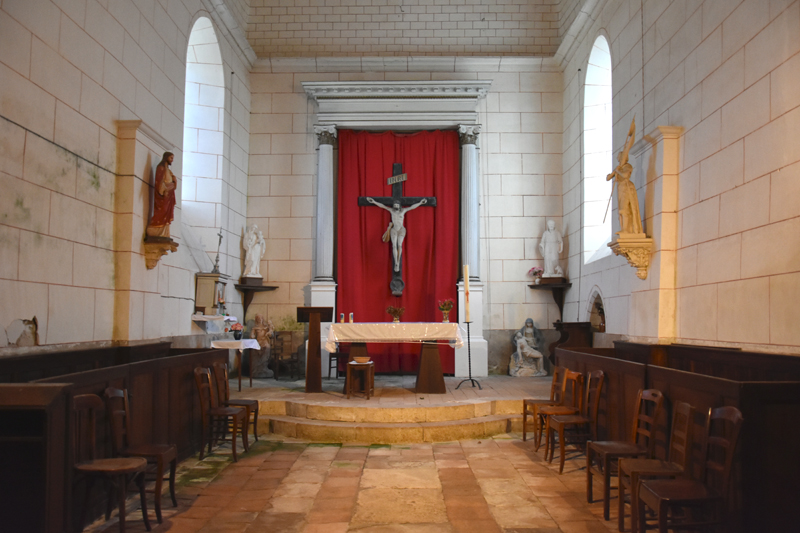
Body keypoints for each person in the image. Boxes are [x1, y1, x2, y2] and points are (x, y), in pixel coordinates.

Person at [365, 197, 428, 272]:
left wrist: (421, 202)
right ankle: (396, 262)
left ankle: (398, 260)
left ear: (399, 205)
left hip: (401, 230)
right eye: (395, 205)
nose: (396, 206)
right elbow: (382, 206)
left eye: (397, 205)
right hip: (394, 230)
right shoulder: (392, 211)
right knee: (394, 245)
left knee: (400, 245)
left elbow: (412, 207)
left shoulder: (403, 211)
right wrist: (374, 202)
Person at [606, 117, 643, 235]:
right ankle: (624, 229)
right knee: (620, 211)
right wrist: (614, 172)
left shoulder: (627, 166)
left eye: (619, 157)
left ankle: (626, 230)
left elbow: (626, 176)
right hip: (620, 188)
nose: (618, 159)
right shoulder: (619, 168)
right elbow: (608, 178)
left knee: (624, 209)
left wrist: (618, 172)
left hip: (626, 187)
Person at [146, 152, 178, 238]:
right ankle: (156, 229)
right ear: (166, 157)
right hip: (163, 195)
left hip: (169, 195)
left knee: (167, 212)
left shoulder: (168, 170)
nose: (172, 160)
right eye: (171, 158)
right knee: (162, 211)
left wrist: (174, 182)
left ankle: (164, 232)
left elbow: (172, 183)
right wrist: (166, 188)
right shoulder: (161, 168)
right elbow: (159, 182)